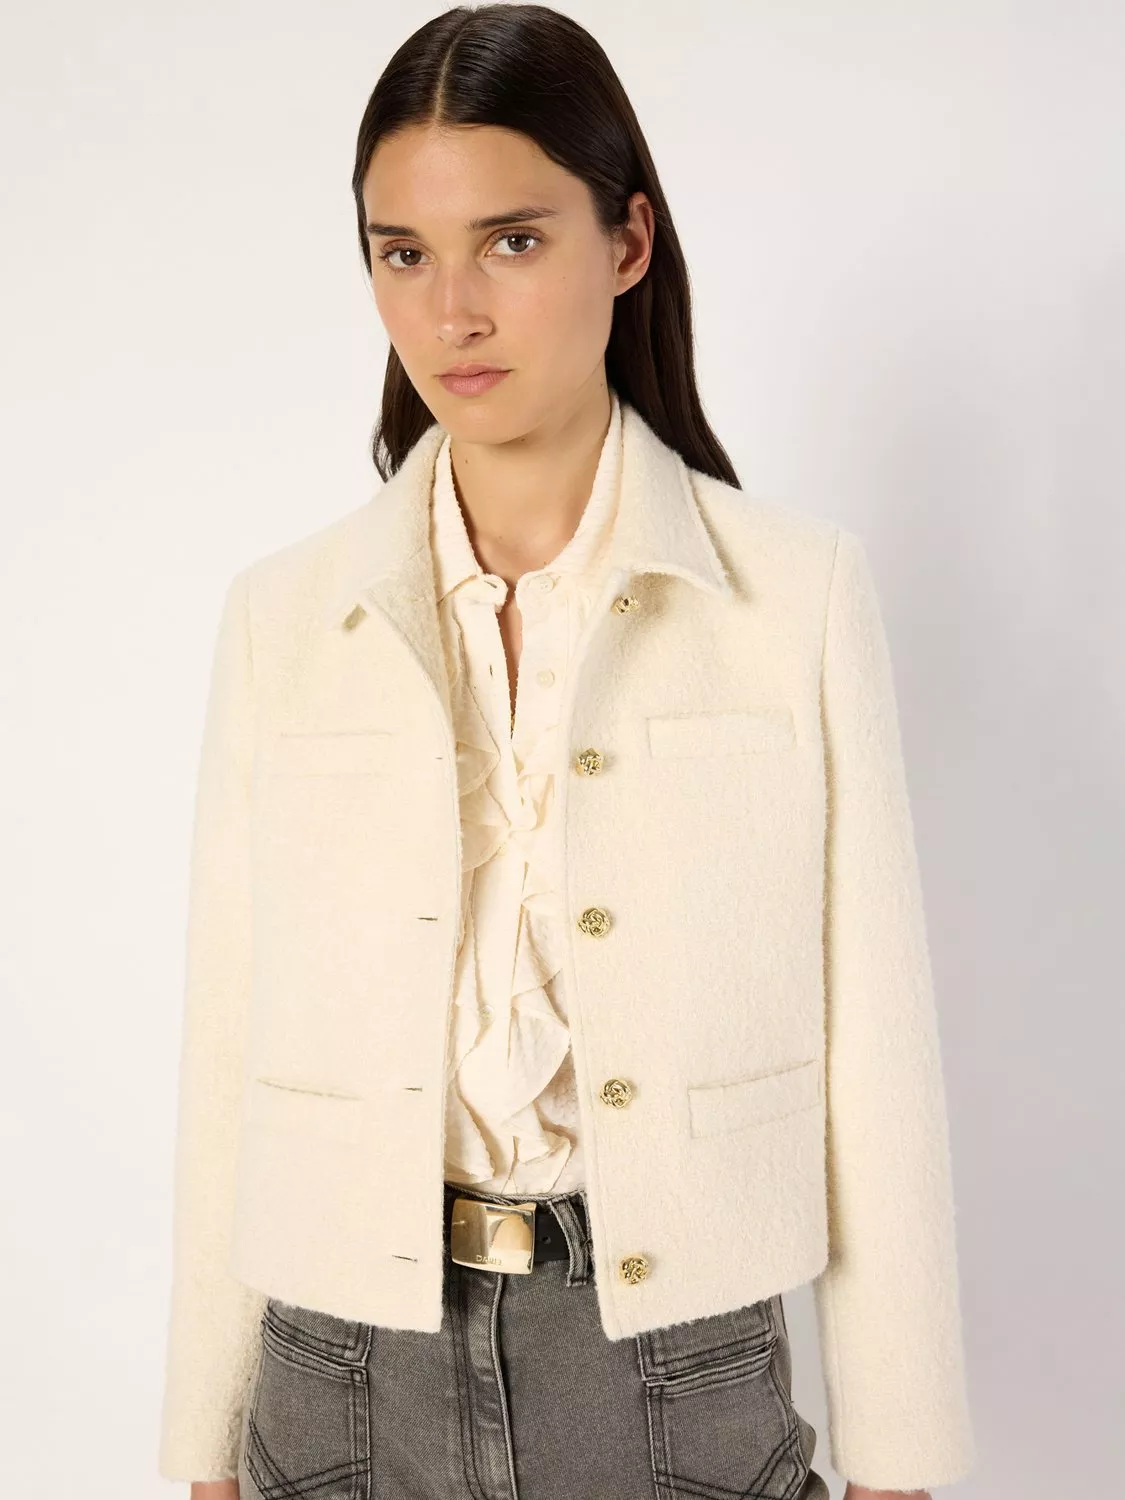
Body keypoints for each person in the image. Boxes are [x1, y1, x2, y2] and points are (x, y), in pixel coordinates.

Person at [157, 6, 976, 1499]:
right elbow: (231, 1048)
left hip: (670, 1377)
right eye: (403, 253)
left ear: (628, 242)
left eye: (514, 242)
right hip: (336, 1378)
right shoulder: (285, 617)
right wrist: (201, 1449)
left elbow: (877, 1052)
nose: (452, 311)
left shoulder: (792, 598)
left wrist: (900, 1458)